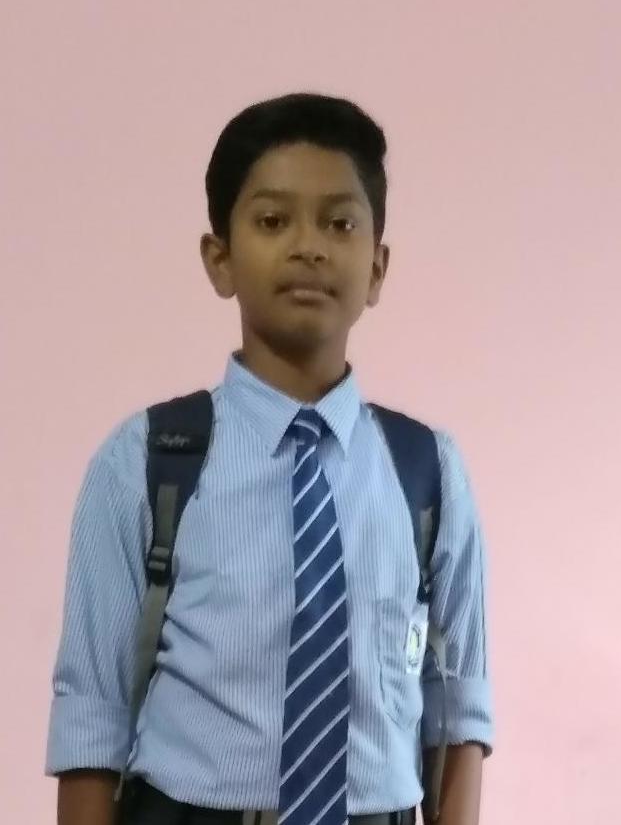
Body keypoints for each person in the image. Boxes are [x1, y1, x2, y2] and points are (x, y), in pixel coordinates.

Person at [46, 93, 494, 825]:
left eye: (340, 223)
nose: (309, 246)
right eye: (272, 220)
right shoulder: (144, 463)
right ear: (219, 258)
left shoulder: (428, 473)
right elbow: (91, 714)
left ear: (377, 268)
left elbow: (459, 709)